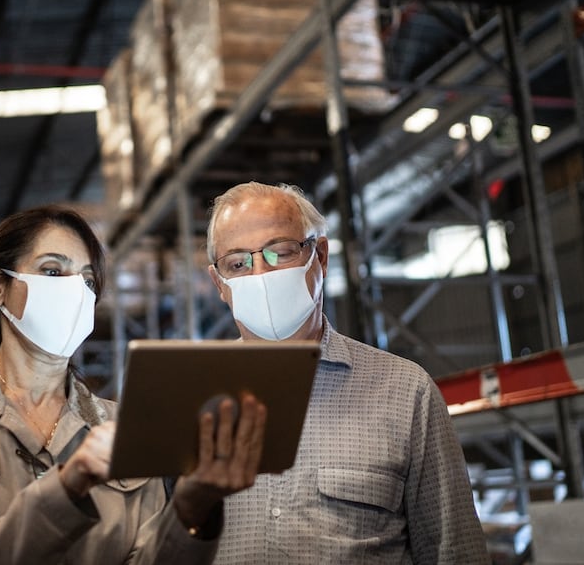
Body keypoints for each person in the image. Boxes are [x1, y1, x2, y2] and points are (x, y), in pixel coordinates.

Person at [0, 205, 267, 565]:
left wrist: (193, 507)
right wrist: (64, 491)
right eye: (52, 271)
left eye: (87, 279)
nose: (75, 292)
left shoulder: (126, 429)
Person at [205, 182, 489, 564]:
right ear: (219, 284)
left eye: (280, 252)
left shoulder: (405, 392)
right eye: (238, 263)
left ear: (319, 256)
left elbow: (455, 552)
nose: (260, 274)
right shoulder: (187, 399)